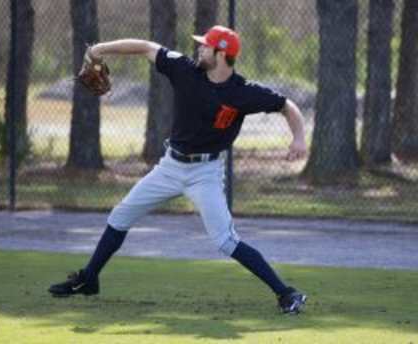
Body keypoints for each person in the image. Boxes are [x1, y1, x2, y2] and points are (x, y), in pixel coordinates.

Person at [49, 25, 308, 314]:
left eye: (205, 46)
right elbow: (146, 47)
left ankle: (286, 293)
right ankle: (89, 278)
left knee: (225, 241)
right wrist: (99, 50)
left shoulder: (243, 92)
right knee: (121, 215)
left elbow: (288, 106)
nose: (199, 48)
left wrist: (298, 137)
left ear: (221, 54)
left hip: (206, 173)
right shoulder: (184, 70)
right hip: (170, 166)